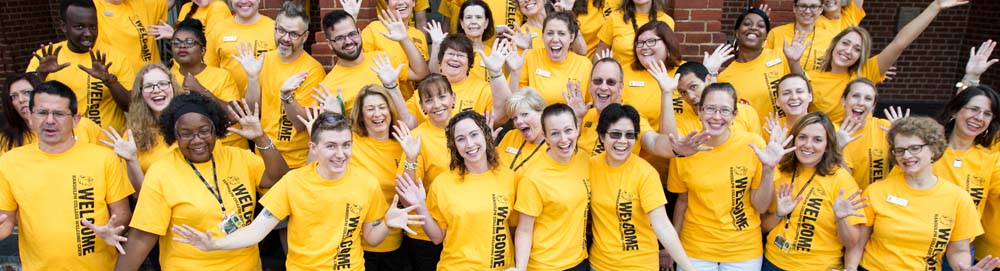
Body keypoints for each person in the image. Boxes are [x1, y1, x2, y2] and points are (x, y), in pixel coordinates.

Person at [171, 111, 423, 270]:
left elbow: (371, 238)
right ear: (314, 147)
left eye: (346, 145)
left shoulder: (366, 182)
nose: (340, 153)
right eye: (331, 146)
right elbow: (257, 231)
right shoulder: (294, 182)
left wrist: (388, 224)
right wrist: (214, 244)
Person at [113, 93, 290, 270]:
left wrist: (261, 138)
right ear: (174, 136)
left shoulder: (238, 157)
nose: (197, 140)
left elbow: (278, 178)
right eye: (186, 134)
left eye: (204, 131)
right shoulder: (161, 173)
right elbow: (142, 237)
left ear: (215, 130)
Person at [0, 80, 133, 270]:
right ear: (30, 117)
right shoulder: (10, 162)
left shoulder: (103, 158)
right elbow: (5, 222)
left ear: (76, 119)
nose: (50, 121)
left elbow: (121, 213)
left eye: (59, 114)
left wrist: (112, 229)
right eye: (42, 113)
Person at [843, 116, 999, 271]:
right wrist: (850, 268)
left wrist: (965, 268)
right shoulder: (876, 191)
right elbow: (858, 243)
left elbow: (959, 250)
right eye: (900, 150)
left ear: (933, 149)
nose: (907, 155)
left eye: (915, 148)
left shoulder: (959, 199)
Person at [667, 83, 790, 270]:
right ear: (699, 111)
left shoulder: (752, 144)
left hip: (743, 250)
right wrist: (672, 246)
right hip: (695, 248)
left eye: (725, 110)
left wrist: (768, 169)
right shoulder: (686, 149)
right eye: (710, 109)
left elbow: (761, 206)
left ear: (734, 115)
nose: (717, 117)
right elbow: (682, 201)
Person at [794, 0, 967, 123]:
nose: (848, 51)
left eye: (856, 49)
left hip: (860, 145)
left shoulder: (867, 72)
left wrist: (934, 6)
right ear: (834, 45)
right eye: (845, 43)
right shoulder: (811, 78)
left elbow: (900, 43)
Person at [395, 110, 519, 270]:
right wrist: (420, 206)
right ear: (454, 145)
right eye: (461, 139)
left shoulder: (509, 178)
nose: (469, 144)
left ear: (485, 135)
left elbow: (516, 229)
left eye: (474, 134)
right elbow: (437, 237)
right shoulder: (442, 183)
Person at [587, 103, 697, 271]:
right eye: (615, 134)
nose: (622, 141)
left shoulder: (645, 173)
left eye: (629, 135)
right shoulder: (590, 166)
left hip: (640, 265)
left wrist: (689, 268)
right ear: (602, 136)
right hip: (600, 264)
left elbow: (663, 225)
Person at [760, 112, 865, 271]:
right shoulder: (780, 171)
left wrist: (841, 219)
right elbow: (763, 227)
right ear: (794, 138)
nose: (808, 145)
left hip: (819, 266)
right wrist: (779, 214)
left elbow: (851, 242)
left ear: (828, 145)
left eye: (817, 139)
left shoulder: (841, 179)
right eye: (802, 137)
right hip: (774, 263)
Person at [232, 1, 325, 169]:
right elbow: (252, 110)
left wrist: (287, 97)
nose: (285, 38)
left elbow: (301, 124)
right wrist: (252, 78)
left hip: (297, 162)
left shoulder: (312, 69)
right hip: (264, 156)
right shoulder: (264, 60)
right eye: (281, 30)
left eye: (293, 34)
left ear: (305, 36)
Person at [28, 0, 136, 133]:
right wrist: (40, 75)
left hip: (108, 148)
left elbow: (133, 106)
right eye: (79, 27)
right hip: (63, 147)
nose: (88, 33)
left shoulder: (115, 57)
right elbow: (26, 105)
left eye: (93, 27)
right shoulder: (45, 58)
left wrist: (110, 81)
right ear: (63, 26)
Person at [513, 103, 591, 270]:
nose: (563, 139)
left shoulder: (584, 160)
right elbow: (524, 230)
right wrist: (520, 268)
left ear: (577, 130)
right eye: (555, 133)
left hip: (580, 261)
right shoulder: (533, 178)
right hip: (545, 265)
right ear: (546, 137)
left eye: (568, 130)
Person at [395, 74, 459, 271]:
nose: (437, 104)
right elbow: (406, 197)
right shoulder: (416, 138)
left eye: (442, 96)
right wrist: (412, 159)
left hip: (462, 229)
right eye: (429, 100)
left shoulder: (467, 130)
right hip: (427, 234)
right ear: (422, 106)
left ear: (453, 98)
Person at [933, 85, 1000, 269]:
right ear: (955, 110)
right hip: (921, 245)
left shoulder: (990, 159)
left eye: (987, 113)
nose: (979, 118)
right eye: (974, 109)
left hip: (961, 249)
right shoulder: (929, 148)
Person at [320, 10, 425, 115]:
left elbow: (421, 73)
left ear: (359, 33)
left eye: (352, 34)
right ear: (329, 44)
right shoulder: (329, 87)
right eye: (339, 38)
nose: (348, 41)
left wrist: (404, 39)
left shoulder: (382, 59)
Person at [102, 63, 187, 191]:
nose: (157, 89)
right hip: (154, 204)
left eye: (163, 83)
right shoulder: (133, 134)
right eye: (148, 86)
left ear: (173, 87)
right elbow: (139, 194)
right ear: (141, 93)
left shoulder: (191, 123)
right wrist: (131, 160)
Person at [170, 18, 247, 149]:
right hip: (191, 150)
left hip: (229, 147)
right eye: (176, 43)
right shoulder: (167, 78)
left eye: (189, 42)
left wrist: (200, 90)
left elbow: (236, 115)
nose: (182, 46)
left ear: (203, 51)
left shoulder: (221, 75)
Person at [716, 8, 797, 122]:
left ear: (766, 36)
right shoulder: (724, 77)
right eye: (747, 24)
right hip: (752, 138)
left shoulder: (780, 56)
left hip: (786, 134)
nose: (753, 28)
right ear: (737, 33)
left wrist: (794, 62)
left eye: (760, 26)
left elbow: (805, 91)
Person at [416, 34, 514, 124]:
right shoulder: (424, 92)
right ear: (440, 59)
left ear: (469, 63)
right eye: (450, 54)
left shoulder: (483, 89)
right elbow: (408, 122)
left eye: (460, 55)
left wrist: (496, 72)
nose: (455, 59)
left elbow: (502, 114)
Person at [0, 73, 101, 155]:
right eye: (14, 96)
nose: (21, 100)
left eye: (27, 93)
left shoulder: (84, 126)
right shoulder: (5, 140)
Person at [516, 12, 593, 106]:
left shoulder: (584, 65)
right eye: (550, 33)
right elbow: (515, 98)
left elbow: (591, 105)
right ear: (543, 36)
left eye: (561, 33)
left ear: (572, 37)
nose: (555, 39)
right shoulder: (529, 57)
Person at [360, 0, 432, 98]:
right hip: (384, 103)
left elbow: (424, 75)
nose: (401, 2)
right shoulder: (373, 30)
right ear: (387, 4)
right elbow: (364, 69)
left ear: (414, 2)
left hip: (412, 104)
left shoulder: (419, 35)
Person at [204, 0, 276, 93]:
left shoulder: (275, 29)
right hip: (228, 103)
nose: (244, 1)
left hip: (267, 102)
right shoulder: (218, 29)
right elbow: (210, 71)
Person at [674, 63, 760, 136]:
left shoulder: (746, 112)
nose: (691, 96)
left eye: (693, 87)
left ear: (708, 79)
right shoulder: (679, 122)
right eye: (683, 92)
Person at [839, 78, 894, 189]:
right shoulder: (831, 131)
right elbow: (845, 180)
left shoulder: (884, 127)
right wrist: (837, 150)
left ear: (873, 106)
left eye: (868, 99)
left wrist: (903, 137)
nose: (861, 103)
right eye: (855, 96)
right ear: (843, 100)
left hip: (878, 198)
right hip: (845, 198)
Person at [595, 0, 675, 68]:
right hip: (620, 80)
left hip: (655, 80)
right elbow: (599, 55)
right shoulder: (614, 18)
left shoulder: (667, 21)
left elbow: (670, 56)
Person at [93, 0, 169, 71]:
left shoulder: (143, 3)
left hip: (151, 81)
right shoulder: (92, 6)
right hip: (116, 81)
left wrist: (174, 35)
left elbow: (167, 2)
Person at [497, 88, 547, 173]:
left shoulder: (554, 145)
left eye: (524, 114)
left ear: (542, 113)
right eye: (515, 118)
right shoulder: (511, 136)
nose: (518, 121)